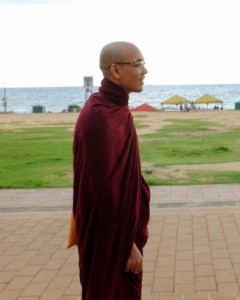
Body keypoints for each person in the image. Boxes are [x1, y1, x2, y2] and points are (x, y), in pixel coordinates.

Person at [72, 41, 151, 300]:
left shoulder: (113, 109)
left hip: (117, 232)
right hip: (111, 238)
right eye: (138, 64)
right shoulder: (100, 117)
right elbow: (103, 193)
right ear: (115, 70)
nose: (144, 70)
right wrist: (125, 245)